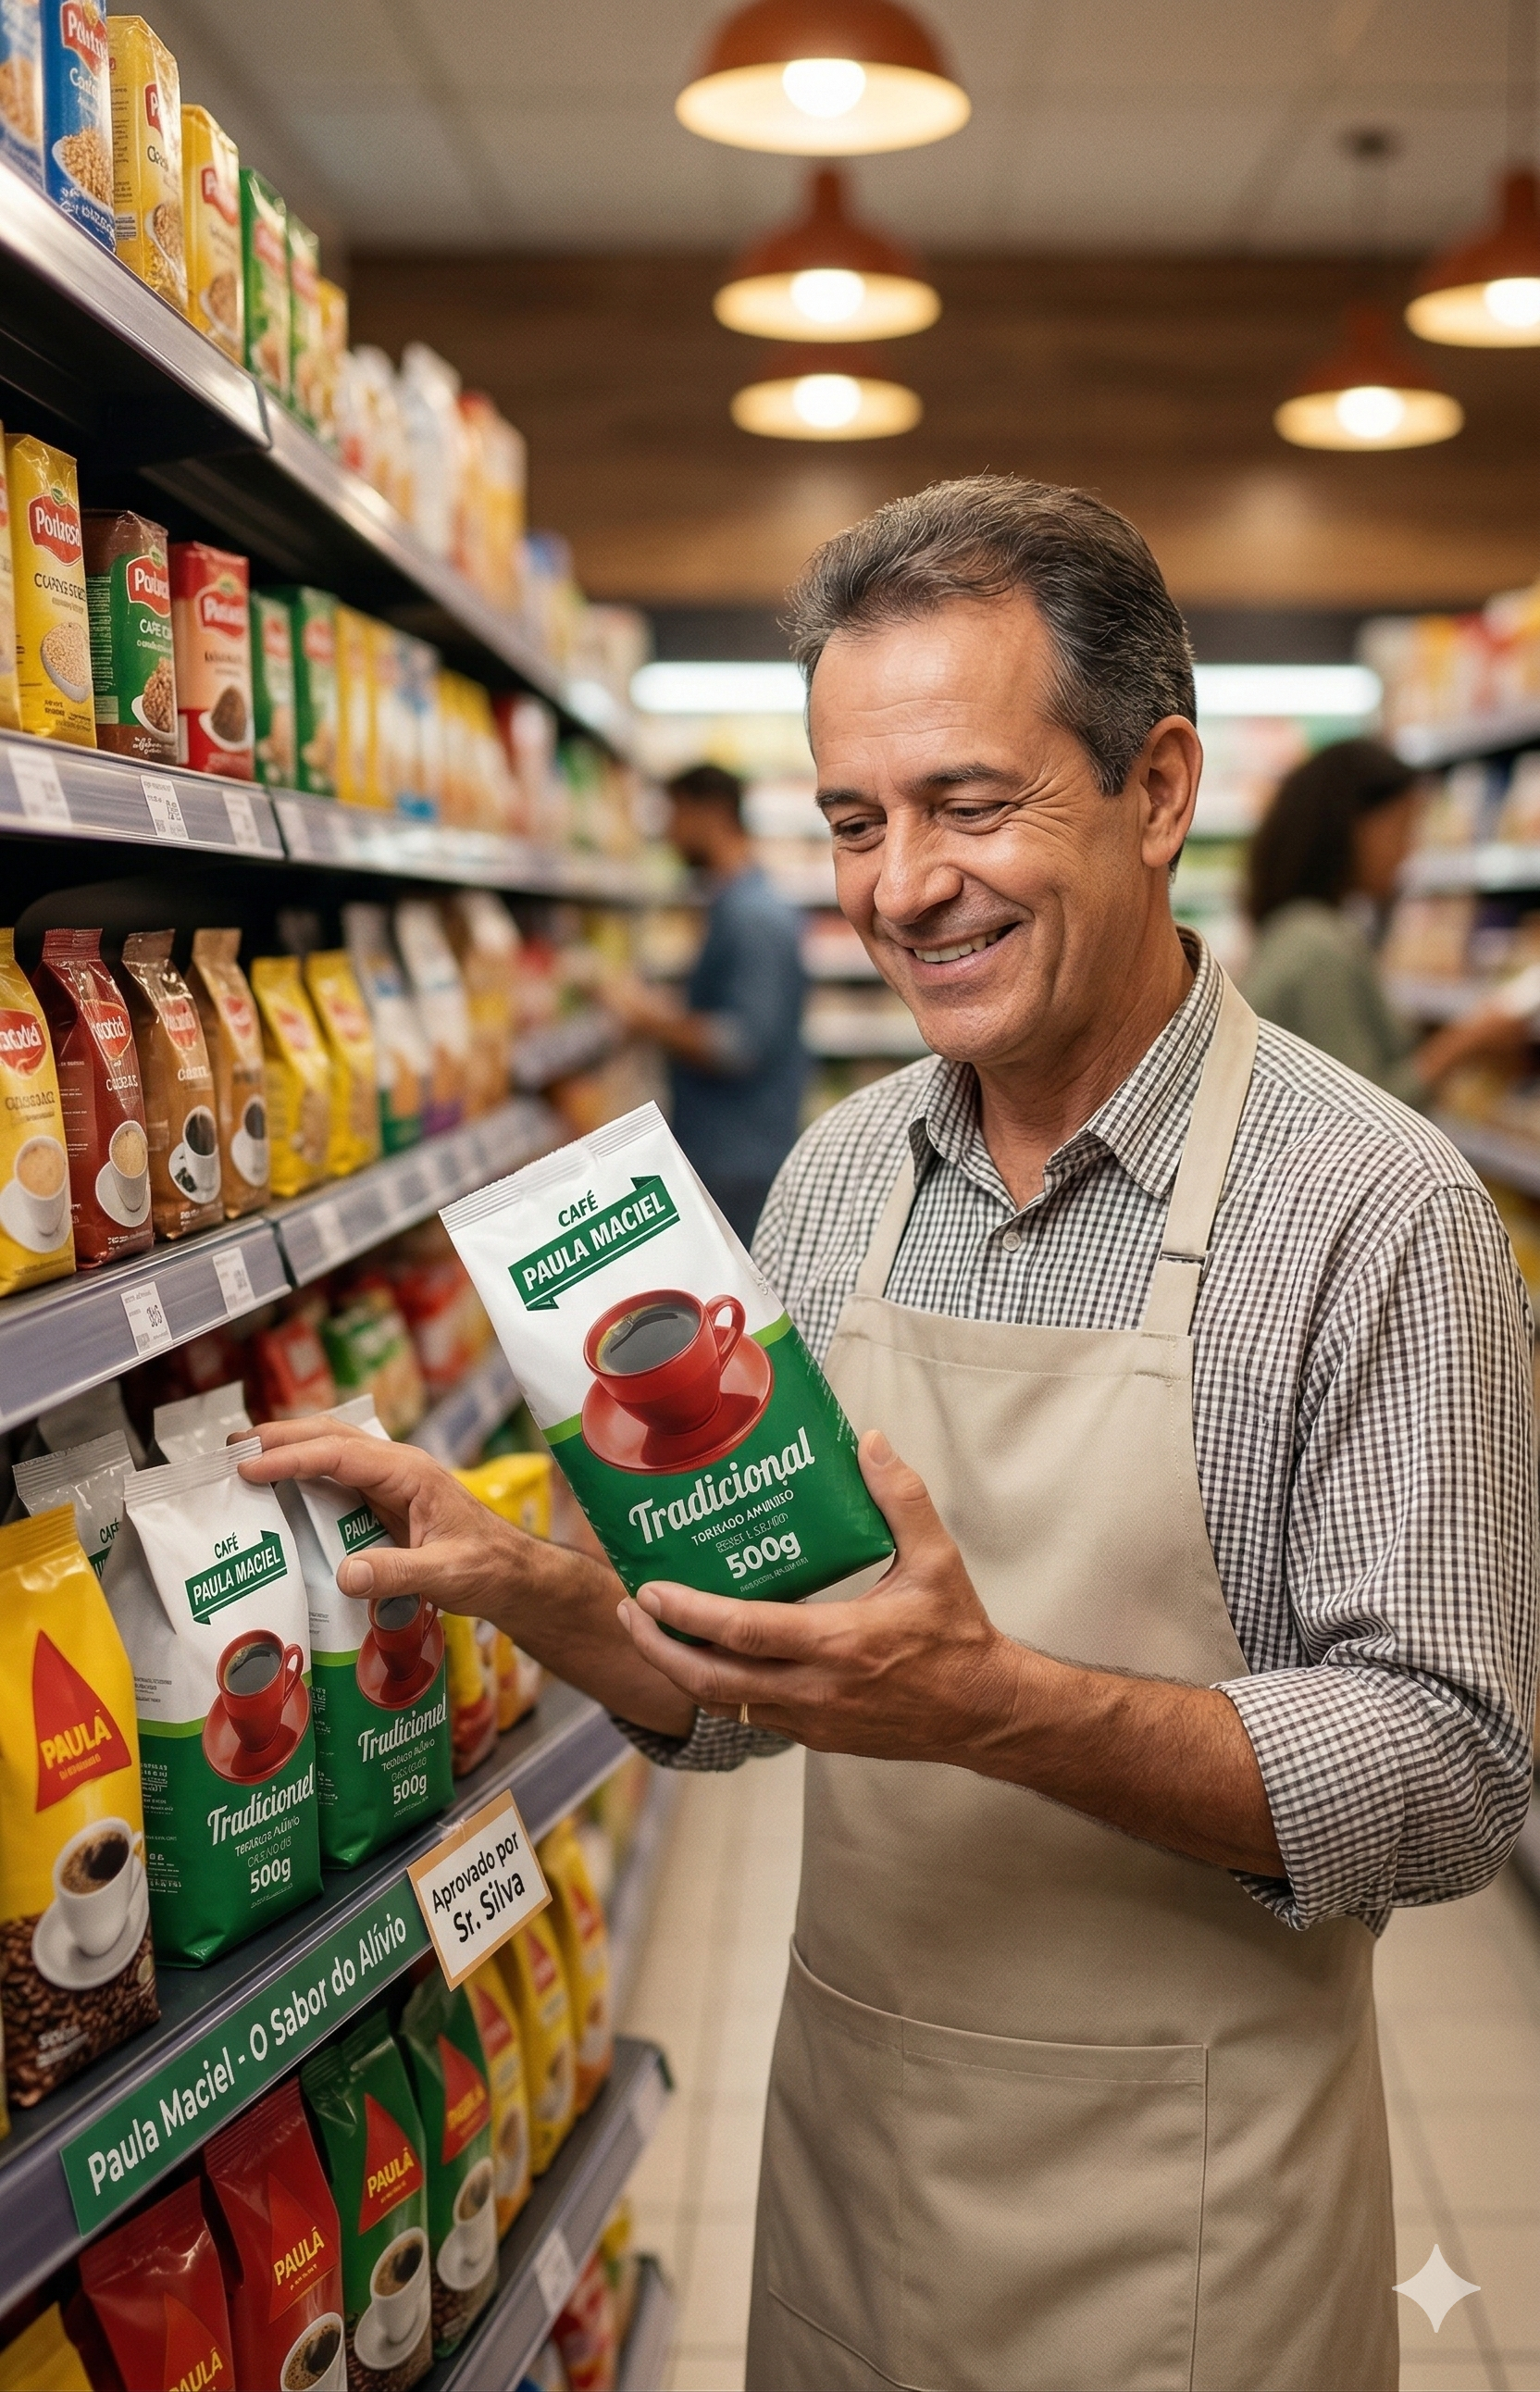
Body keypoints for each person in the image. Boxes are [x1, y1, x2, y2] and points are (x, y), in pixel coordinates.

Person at [242, 478, 1536, 2392]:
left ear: (1157, 788)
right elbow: (762, 1674)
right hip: (853, 2170)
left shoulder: (1372, 1209)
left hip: (1190, 2232)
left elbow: (1449, 1767)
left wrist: (989, 1698)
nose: (899, 882)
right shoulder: (845, 1177)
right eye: (856, 818)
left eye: (969, 801)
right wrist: (542, 1587)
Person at [1241, 735, 1528, 1100]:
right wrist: (1468, 1041)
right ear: (1351, 825)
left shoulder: (1295, 928)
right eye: (1401, 828)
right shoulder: (1317, 945)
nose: (1408, 849)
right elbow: (1363, 1110)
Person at [600, 761, 806, 1247]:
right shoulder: (736, 905)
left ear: (709, 814)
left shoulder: (751, 915)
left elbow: (737, 1045)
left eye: (674, 813)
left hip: (739, 1159)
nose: (668, 832)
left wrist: (643, 1015)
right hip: (734, 1149)